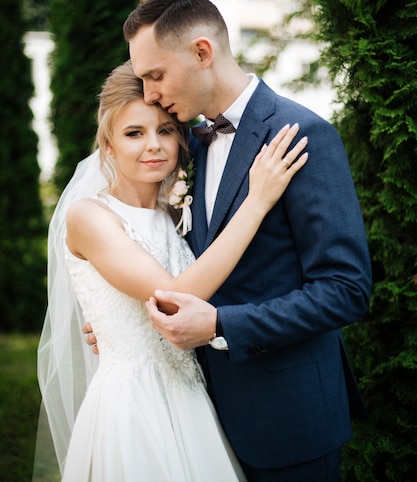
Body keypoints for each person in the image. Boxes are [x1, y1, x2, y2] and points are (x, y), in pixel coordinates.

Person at [114, 0, 371, 482]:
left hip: (287, 421)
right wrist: (131, 322)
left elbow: (346, 290)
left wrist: (220, 326)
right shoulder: (184, 140)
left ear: (202, 53)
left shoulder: (301, 135)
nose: (148, 95)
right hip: (197, 419)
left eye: (155, 75)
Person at [36, 60, 308, 482]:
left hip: (194, 397)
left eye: (165, 130)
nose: (154, 146)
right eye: (133, 133)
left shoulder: (178, 213)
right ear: (107, 146)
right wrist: (257, 201)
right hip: (133, 410)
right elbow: (174, 298)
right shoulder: (89, 216)